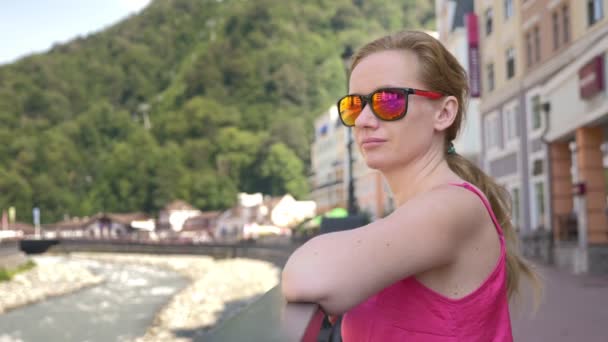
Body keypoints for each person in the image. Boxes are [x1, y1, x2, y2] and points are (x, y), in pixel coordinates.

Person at [281, 30, 540, 341]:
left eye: (388, 100)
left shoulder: (449, 208)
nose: (363, 119)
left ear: (444, 113)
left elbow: (306, 273)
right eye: (354, 105)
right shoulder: (430, 210)